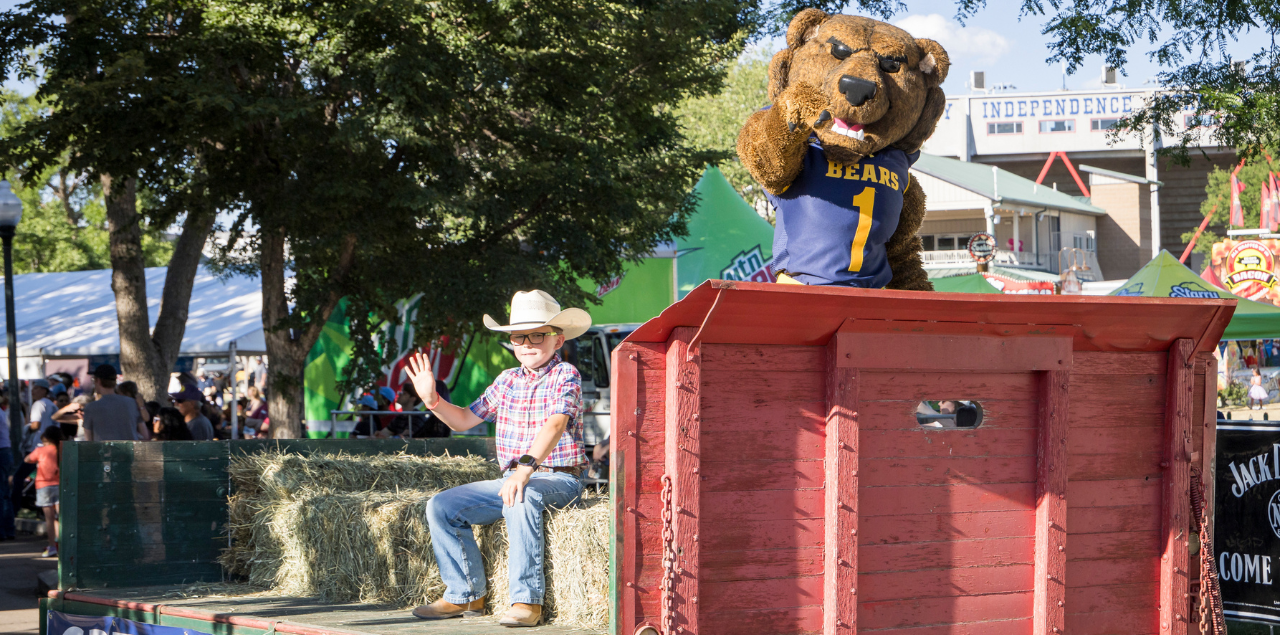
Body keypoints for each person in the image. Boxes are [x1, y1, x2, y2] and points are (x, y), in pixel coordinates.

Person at [408, 290, 589, 627]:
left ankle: (526, 602)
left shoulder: (566, 375)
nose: (528, 342)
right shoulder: (505, 381)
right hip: (515, 479)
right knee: (441, 506)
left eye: (538, 334)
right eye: (520, 335)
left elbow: (556, 422)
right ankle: (465, 594)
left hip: (561, 478)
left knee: (520, 494)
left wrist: (524, 470)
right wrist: (432, 400)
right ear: (512, 341)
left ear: (557, 339)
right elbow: (463, 419)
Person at [13, 379, 57, 517]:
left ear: (44, 390)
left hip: (37, 447)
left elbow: (35, 425)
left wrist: (26, 429)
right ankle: (38, 509)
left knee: (18, 477)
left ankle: (15, 508)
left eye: (36, 388)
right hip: (52, 447)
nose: (33, 391)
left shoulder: (38, 404)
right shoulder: (52, 405)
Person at [81, 364, 146, 441]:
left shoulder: (91, 407)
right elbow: (144, 434)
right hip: (130, 451)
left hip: (103, 451)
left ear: (98, 380)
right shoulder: (132, 403)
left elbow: (88, 439)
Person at [24, 426, 62, 557]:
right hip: (60, 486)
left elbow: (27, 459)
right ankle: (64, 545)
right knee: (61, 518)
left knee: (49, 519)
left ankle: (52, 546)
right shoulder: (62, 449)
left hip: (44, 486)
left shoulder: (40, 450)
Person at [0, 402, 14, 541]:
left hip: (1, 452)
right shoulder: (2, 412)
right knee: (4, 493)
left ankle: (3, 530)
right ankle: (9, 530)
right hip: (5, 451)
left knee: (2, 493)